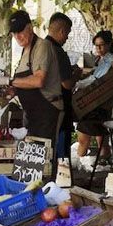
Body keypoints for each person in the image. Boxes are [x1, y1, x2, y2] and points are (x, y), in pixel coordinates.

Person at [0, 10, 63, 156]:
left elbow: (38, 80)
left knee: (45, 157)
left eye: (20, 31)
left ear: (30, 28)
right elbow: (25, 83)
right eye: (14, 33)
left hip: (47, 112)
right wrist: (12, 90)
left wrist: (10, 80)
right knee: (32, 158)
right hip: (31, 113)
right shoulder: (25, 50)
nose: (17, 36)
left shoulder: (42, 46)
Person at [73, 30, 113, 162]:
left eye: (101, 45)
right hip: (89, 102)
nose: (98, 48)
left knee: (89, 138)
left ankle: (83, 162)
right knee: (98, 139)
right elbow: (88, 76)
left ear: (109, 44)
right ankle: (98, 161)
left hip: (102, 104)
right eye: (96, 45)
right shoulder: (96, 59)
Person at [46, 12, 78, 162]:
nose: (67, 38)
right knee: (59, 157)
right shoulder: (58, 52)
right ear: (62, 31)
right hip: (58, 110)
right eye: (67, 34)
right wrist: (76, 75)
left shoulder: (38, 48)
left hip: (41, 109)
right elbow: (67, 84)